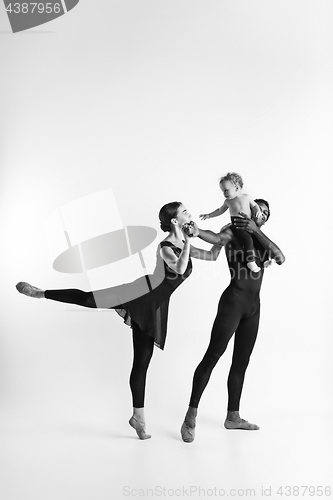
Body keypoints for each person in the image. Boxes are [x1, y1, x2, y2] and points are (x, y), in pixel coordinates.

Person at [16, 202, 220, 440]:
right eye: (185, 212)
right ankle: (41, 293)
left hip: (155, 306)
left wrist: (226, 232)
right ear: (174, 221)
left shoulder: (184, 244)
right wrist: (190, 241)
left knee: (142, 361)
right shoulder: (166, 246)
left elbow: (214, 255)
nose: (190, 214)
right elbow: (181, 265)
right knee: (87, 298)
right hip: (138, 293)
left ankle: (138, 418)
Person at [181, 199, 285, 442]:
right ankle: (190, 416)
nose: (262, 214)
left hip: (253, 308)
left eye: (266, 212)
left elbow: (280, 257)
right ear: (247, 210)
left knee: (241, 362)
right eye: (259, 209)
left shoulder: (259, 237)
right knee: (212, 356)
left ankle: (233, 417)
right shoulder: (231, 232)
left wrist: (256, 230)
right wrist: (196, 233)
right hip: (233, 303)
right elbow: (215, 241)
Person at [200, 172, 262, 272]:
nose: (224, 194)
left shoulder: (247, 197)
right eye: (222, 191)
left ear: (236, 188)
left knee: (257, 239)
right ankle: (250, 261)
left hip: (248, 223)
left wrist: (258, 211)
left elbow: (255, 205)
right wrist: (209, 215)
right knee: (248, 240)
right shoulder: (228, 202)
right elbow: (220, 210)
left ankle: (265, 260)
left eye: (226, 190)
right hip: (237, 225)